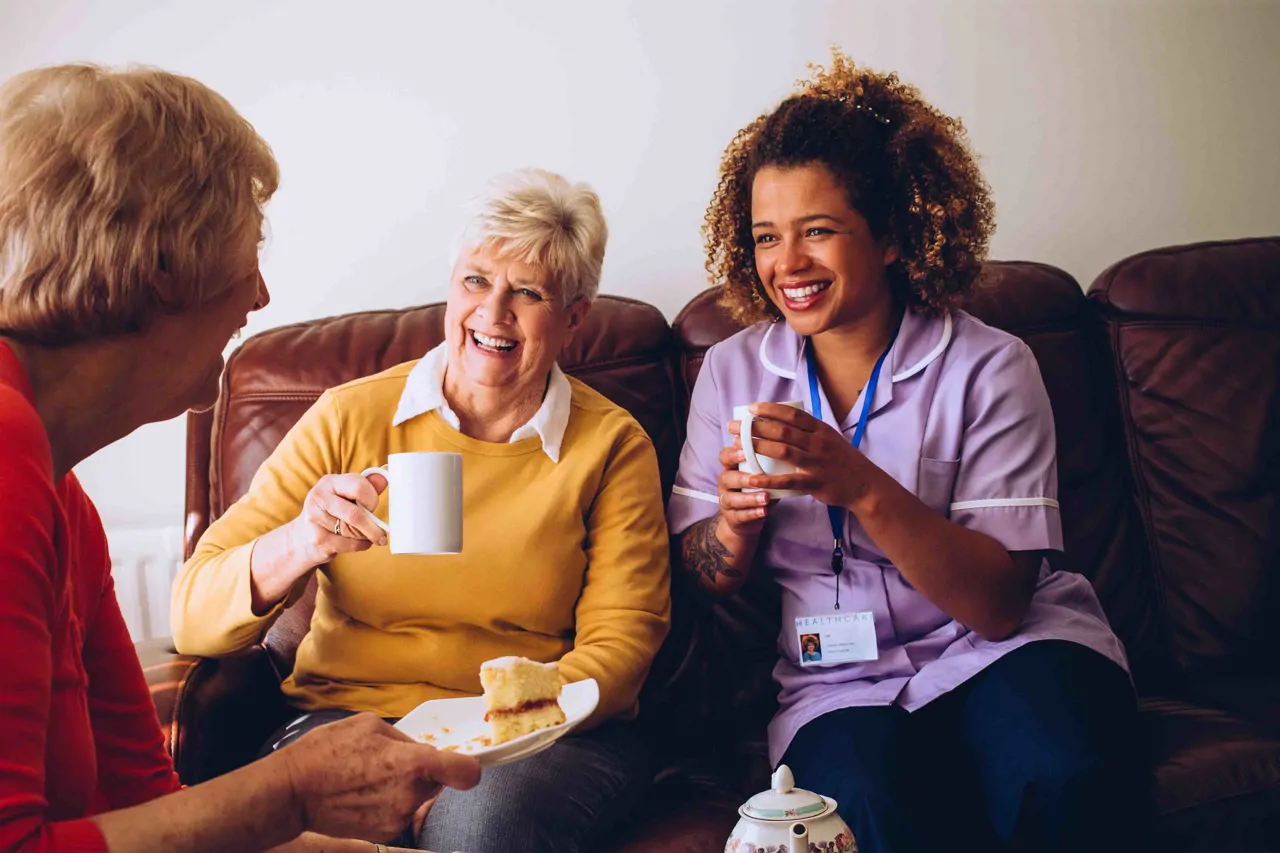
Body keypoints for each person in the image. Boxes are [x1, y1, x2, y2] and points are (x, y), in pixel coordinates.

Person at [669, 52, 1144, 852]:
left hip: (1005, 649)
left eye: (818, 231)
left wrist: (859, 484)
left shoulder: (990, 365)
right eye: (766, 237)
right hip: (835, 682)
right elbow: (705, 569)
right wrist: (736, 529)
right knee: (854, 811)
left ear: (890, 236)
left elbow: (999, 604)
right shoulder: (733, 371)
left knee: (1055, 767)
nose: (787, 264)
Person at [0, 64, 480, 853]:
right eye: (245, 251)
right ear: (161, 262)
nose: (258, 294)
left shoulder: (60, 493)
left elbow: (146, 796)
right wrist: (292, 790)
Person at [171, 167, 672, 853]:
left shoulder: (611, 445)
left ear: (574, 317)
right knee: (299, 815)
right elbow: (192, 613)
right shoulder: (349, 416)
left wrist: (478, 737)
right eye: (475, 281)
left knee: (477, 823)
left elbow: (622, 647)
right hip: (350, 715)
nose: (493, 314)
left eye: (527, 293)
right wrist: (301, 542)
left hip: (536, 735)